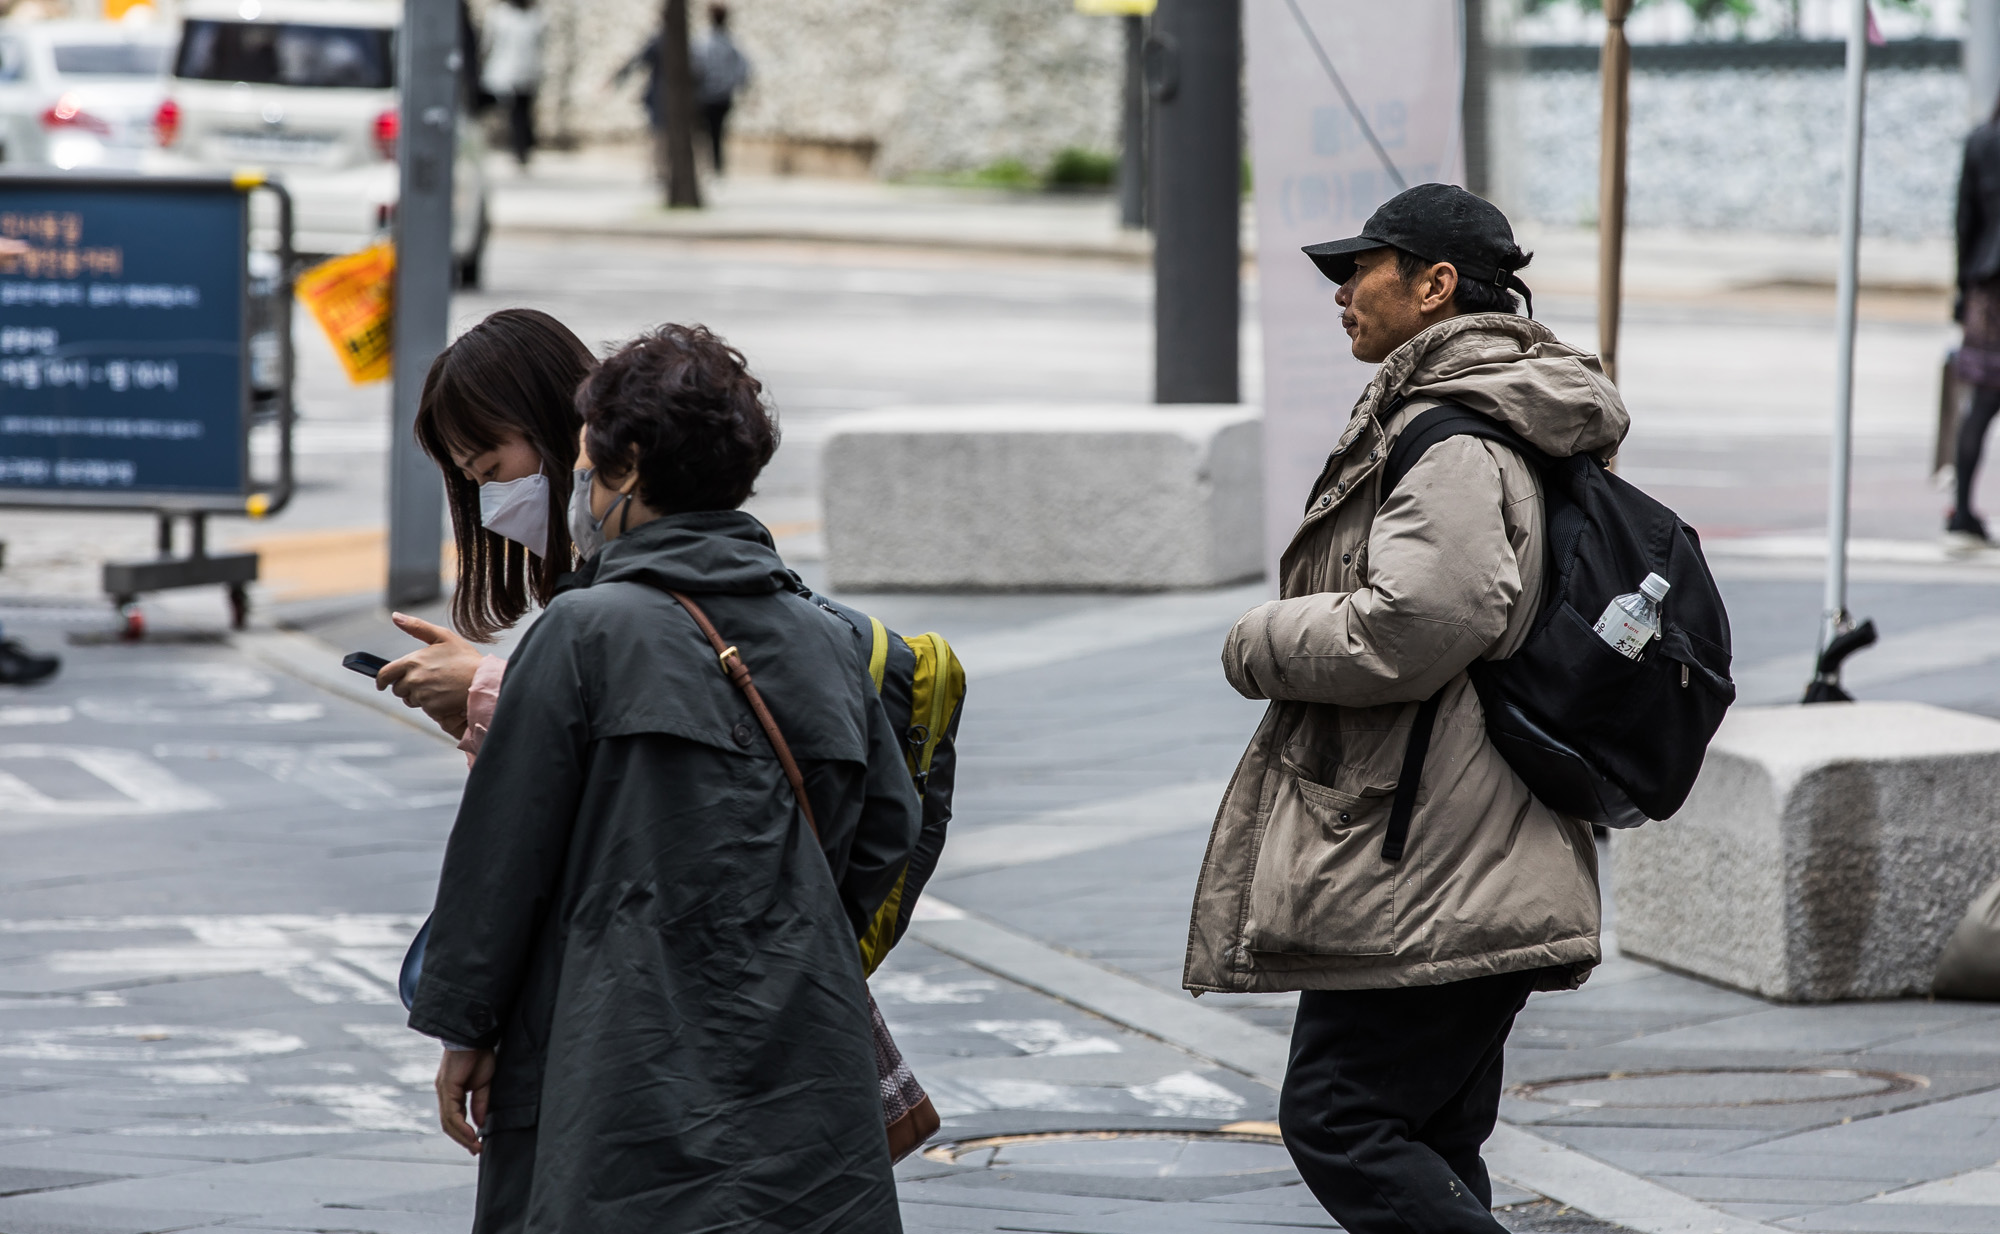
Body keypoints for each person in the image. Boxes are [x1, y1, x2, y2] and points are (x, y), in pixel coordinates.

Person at [407, 324, 920, 1230]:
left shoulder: (581, 634)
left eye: (588, 468)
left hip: (615, 1052)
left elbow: (502, 860)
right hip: (806, 1049)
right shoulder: (829, 640)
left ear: (629, 469)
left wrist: (465, 1027)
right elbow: (885, 830)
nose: (579, 490)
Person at [1183, 183, 1618, 1234]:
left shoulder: (1454, 433)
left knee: (1340, 1118)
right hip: (1457, 832)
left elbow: (1420, 621)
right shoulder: (1479, 410)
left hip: (1426, 849)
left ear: (1433, 285)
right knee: (1425, 1134)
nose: (1339, 293)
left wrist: (1259, 640)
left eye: (1358, 270)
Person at [374, 309, 592, 751]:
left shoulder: (635, 579)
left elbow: (616, 736)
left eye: (492, 469)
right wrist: (481, 718)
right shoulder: (598, 574)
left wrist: (487, 686)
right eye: (475, 483)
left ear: (555, 421)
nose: (492, 504)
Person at [1951, 101, 2000, 547]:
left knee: (1982, 404)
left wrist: (1963, 288)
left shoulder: (1983, 140)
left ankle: (1962, 508)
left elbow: (1965, 221)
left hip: (1989, 286)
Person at [481, 0, 545, 168]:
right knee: (513, 110)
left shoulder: (536, 15)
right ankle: (517, 146)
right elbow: (488, 43)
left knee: (522, 111)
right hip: (506, 71)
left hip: (527, 71)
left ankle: (522, 148)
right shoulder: (500, 15)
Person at [694, 4, 750, 174]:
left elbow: (696, 66)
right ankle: (717, 165)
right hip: (724, 96)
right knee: (718, 131)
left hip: (705, 95)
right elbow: (743, 68)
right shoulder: (731, 43)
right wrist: (735, 84)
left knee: (703, 132)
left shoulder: (703, 42)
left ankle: (707, 165)